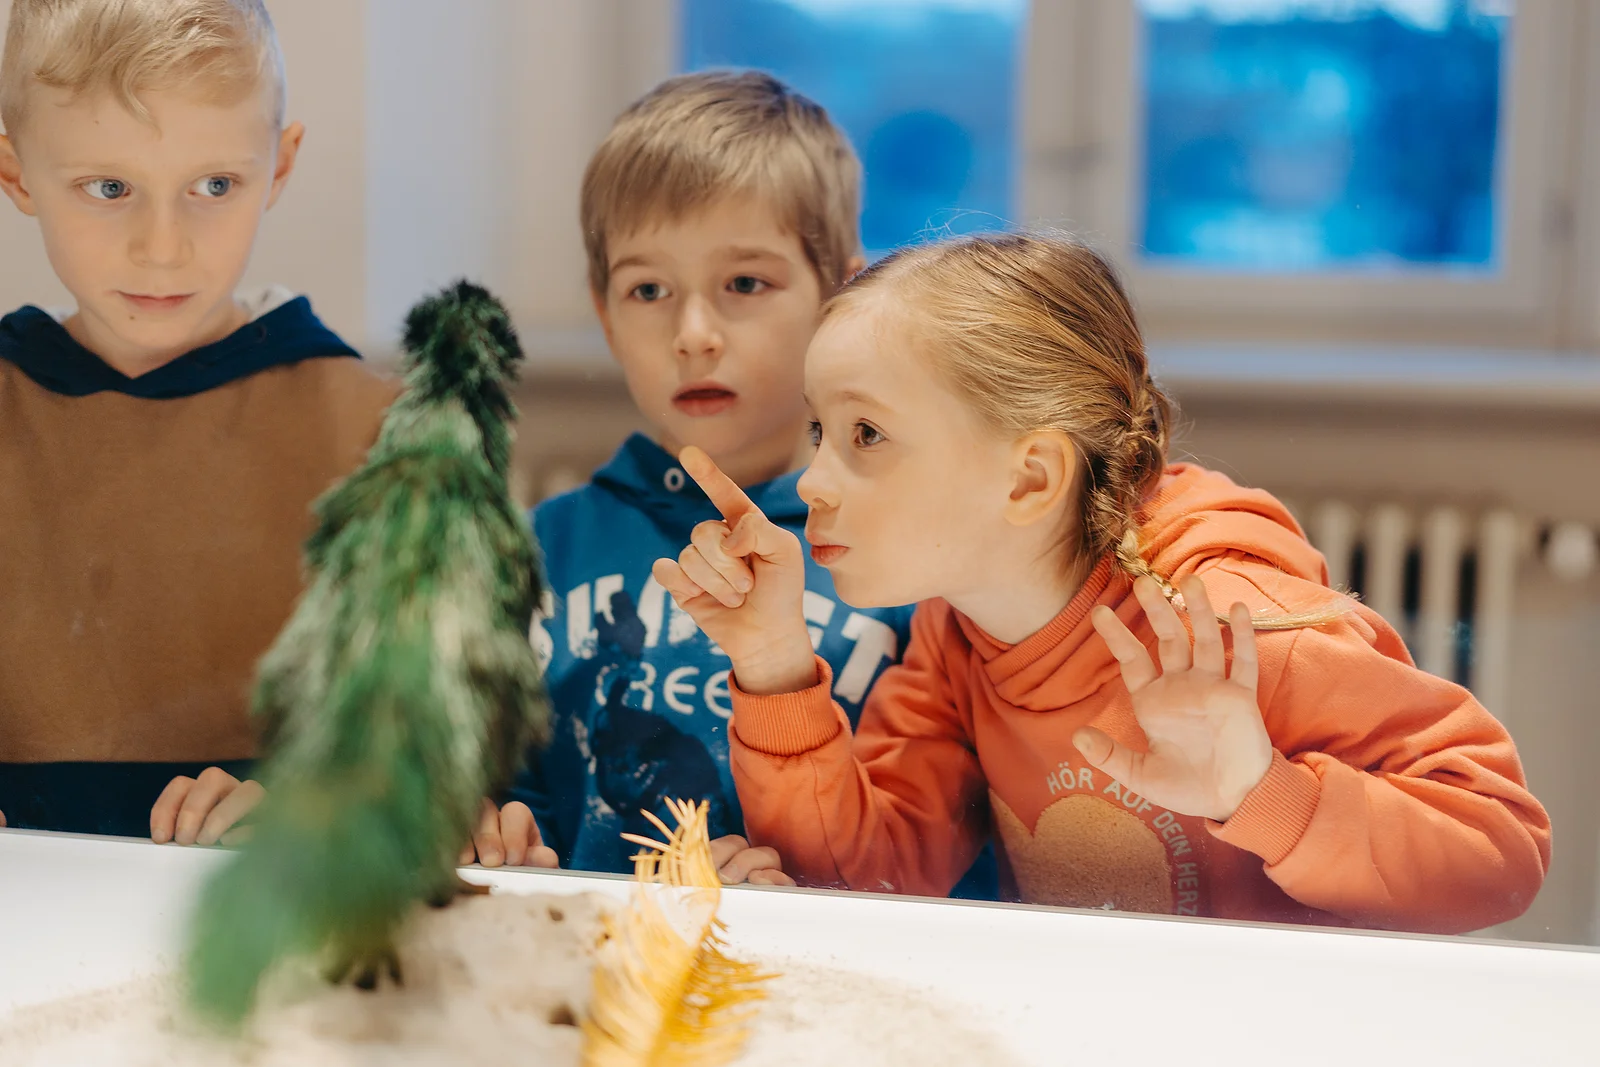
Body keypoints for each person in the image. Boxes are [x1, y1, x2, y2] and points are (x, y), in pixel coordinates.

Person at [653, 230, 1551, 932]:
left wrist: (1261, 792)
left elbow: (1502, 844)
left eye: (867, 435)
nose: (811, 481)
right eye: (820, 432)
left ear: (1031, 479)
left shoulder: (1229, 626)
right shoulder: (955, 631)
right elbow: (865, 877)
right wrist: (772, 663)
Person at [472, 71, 958, 888]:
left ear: (840, 298)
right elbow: (517, 793)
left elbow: (928, 842)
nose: (693, 334)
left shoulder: (919, 557)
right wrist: (503, 830)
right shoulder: (539, 548)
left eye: (744, 284)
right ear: (605, 315)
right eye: (648, 290)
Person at [0, 0, 396, 843]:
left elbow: (439, 773)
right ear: (17, 174)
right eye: (109, 188)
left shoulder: (377, 436)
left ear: (278, 166)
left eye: (214, 186)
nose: (163, 247)